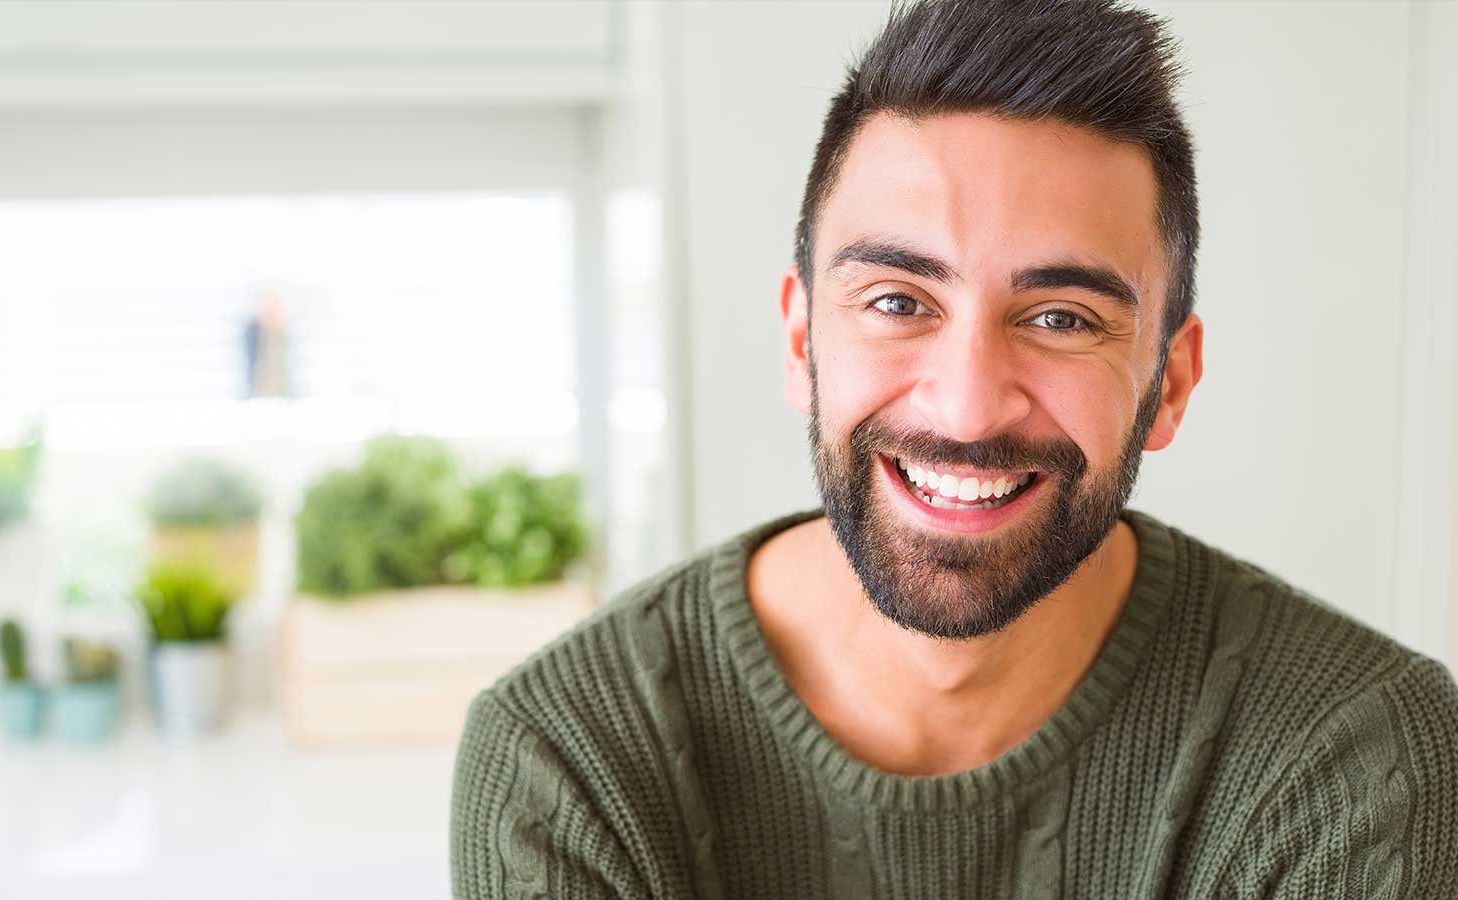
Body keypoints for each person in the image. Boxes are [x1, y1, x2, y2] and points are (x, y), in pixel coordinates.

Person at [451, 1, 1458, 896]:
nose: (967, 407)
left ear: (1170, 384)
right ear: (803, 341)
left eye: (1061, 318)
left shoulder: (1355, 752)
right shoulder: (568, 756)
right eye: (897, 301)